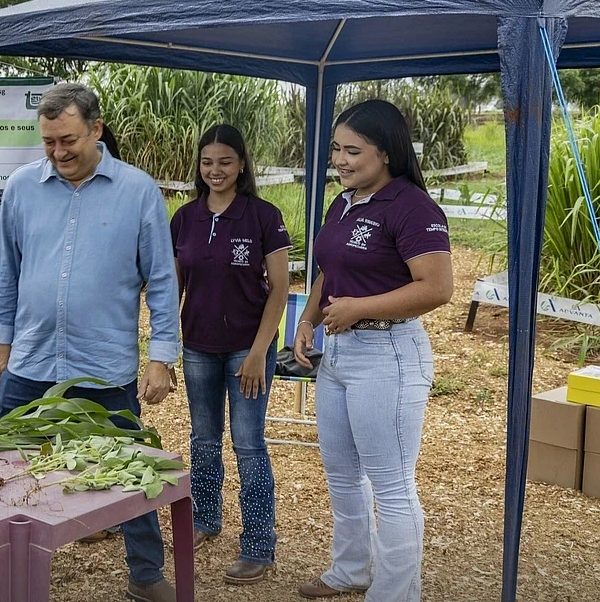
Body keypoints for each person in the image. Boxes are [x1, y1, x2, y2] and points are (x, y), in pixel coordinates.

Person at [0, 83, 181, 602]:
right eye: (48, 142)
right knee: (4, 469)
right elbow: (6, 269)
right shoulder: (22, 187)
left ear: (96, 129)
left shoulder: (138, 191)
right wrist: (1, 338)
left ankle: (145, 575)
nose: (58, 152)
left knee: (131, 470)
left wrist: (161, 356)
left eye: (68, 140)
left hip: (104, 368)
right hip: (31, 360)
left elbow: (162, 281)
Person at [292, 99, 453, 601]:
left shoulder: (412, 206)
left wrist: (359, 308)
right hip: (340, 354)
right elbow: (329, 270)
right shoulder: (344, 202)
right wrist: (307, 320)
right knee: (342, 475)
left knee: (392, 485)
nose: (340, 160)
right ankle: (351, 570)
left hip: (388, 354)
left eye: (352, 151)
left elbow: (437, 288)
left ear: (385, 152)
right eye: (336, 149)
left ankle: (394, 594)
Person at [169, 124, 291, 585]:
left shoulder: (263, 216)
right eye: (207, 162)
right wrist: (164, 345)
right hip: (198, 347)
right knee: (203, 439)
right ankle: (205, 518)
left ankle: (258, 543)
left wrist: (259, 352)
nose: (215, 170)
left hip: (248, 349)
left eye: (225, 161)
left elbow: (279, 290)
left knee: (248, 443)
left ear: (241, 165)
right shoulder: (185, 218)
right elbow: (173, 286)